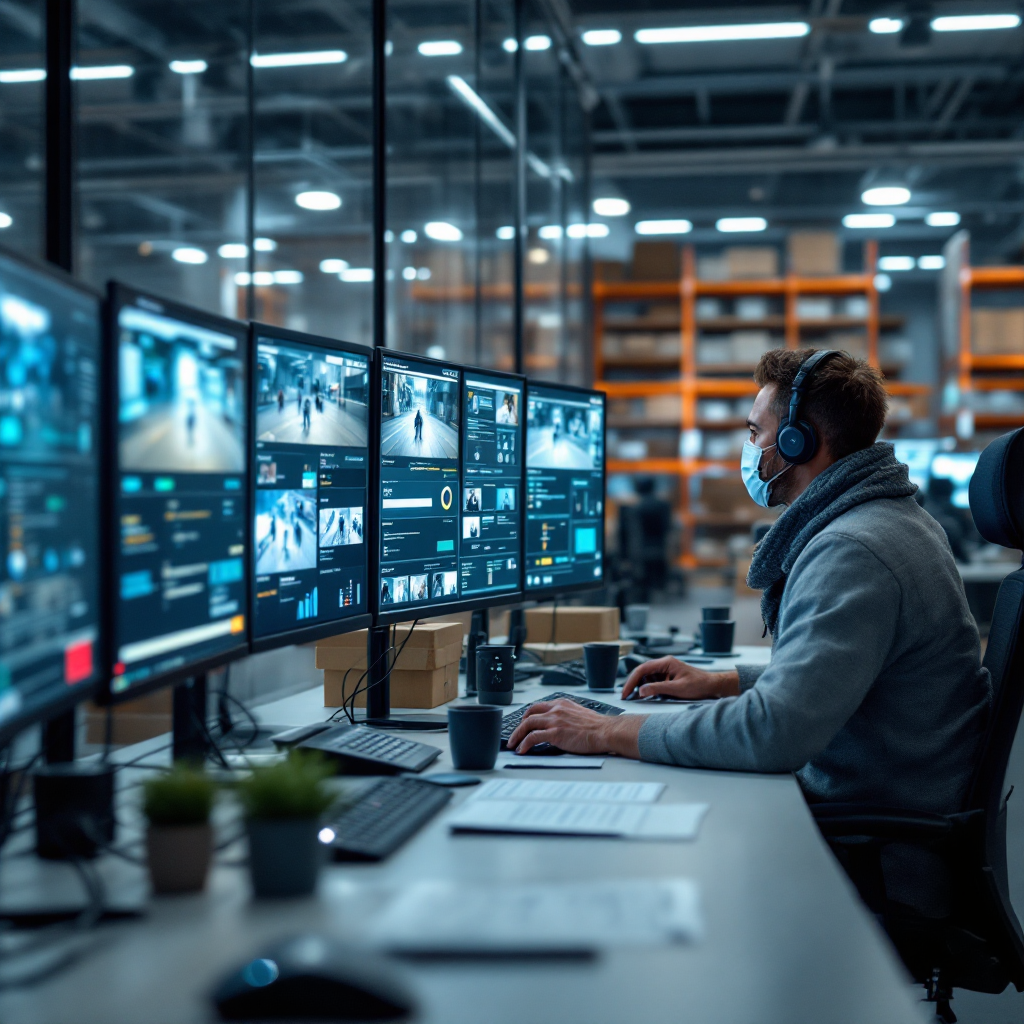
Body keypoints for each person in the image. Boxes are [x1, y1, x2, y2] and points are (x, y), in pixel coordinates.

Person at [509, 349, 992, 815]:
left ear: (799, 441)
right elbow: (844, 677)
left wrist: (605, 732)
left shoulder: (852, 549)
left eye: (756, 432)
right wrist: (723, 682)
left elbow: (774, 731)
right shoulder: (891, 518)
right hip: (880, 791)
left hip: (874, 837)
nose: (749, 448)